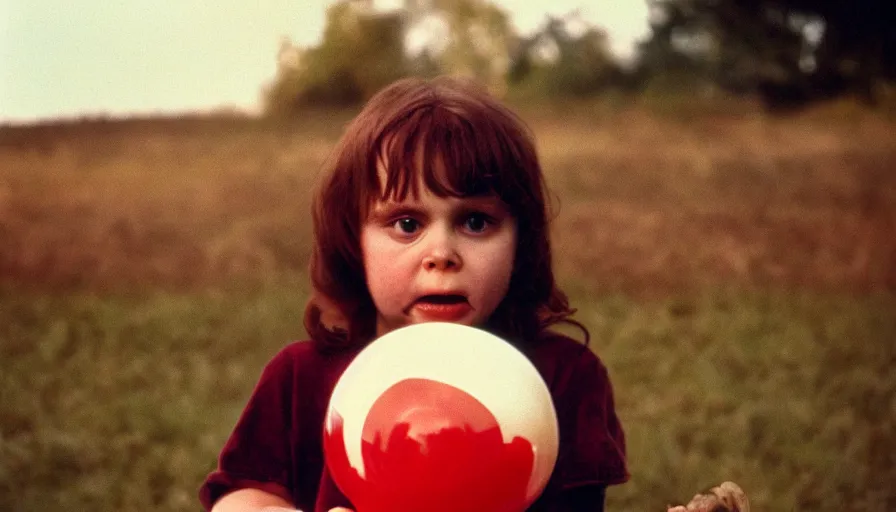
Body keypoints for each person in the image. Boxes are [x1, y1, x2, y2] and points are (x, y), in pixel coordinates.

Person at [199, 75, 629, 512]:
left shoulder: (564, 377)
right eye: (407, 224)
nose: (441, 254)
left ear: (522, 240)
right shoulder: (299, 377)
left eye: (476, 222)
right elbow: (242, 496)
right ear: (354, 240)